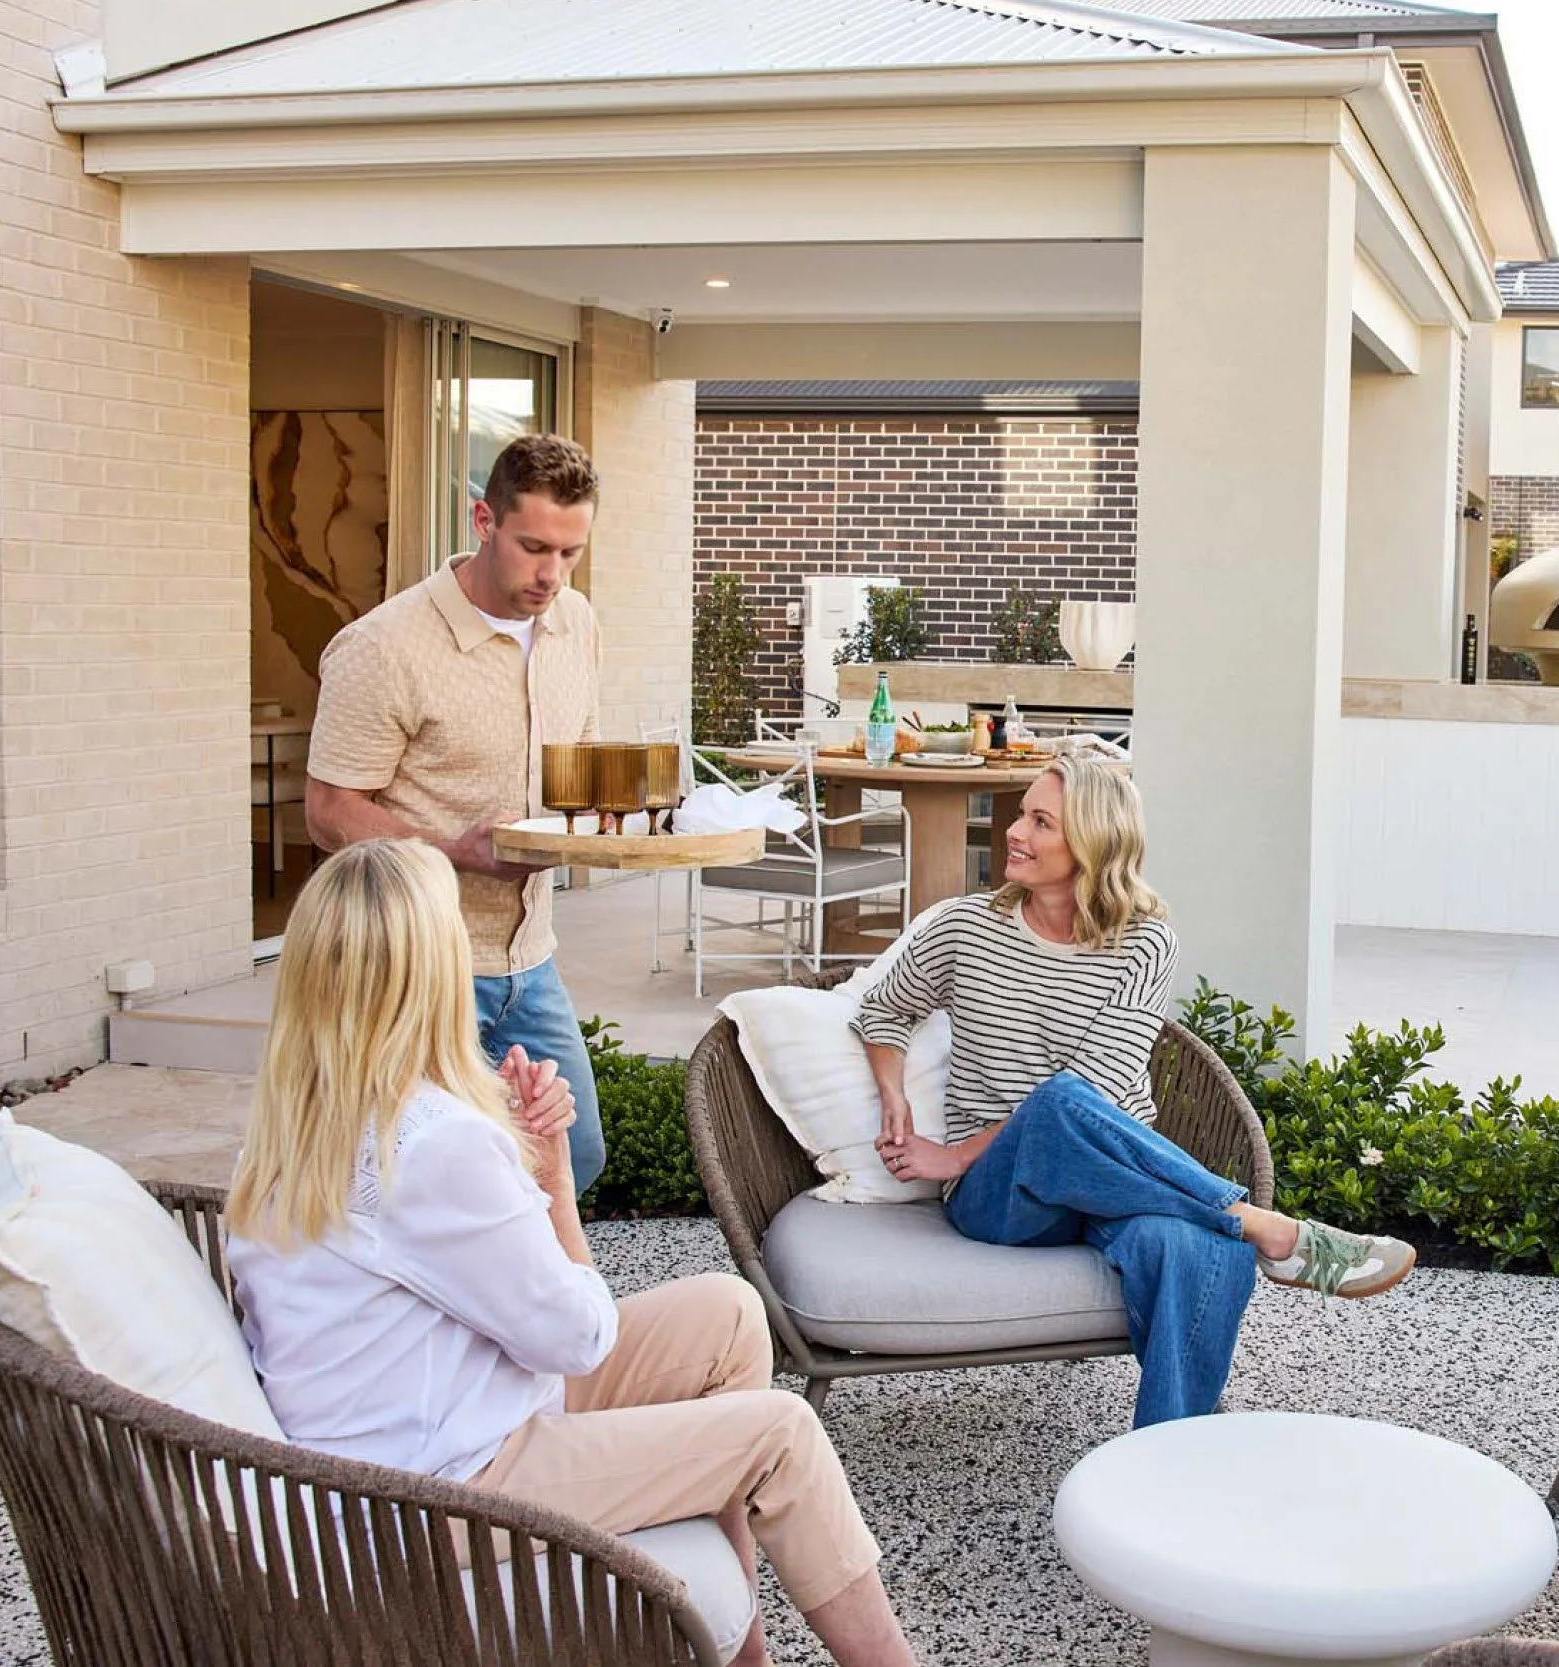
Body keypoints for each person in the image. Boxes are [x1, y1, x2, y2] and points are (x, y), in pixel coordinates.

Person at [225, 840, 913, 1667]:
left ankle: (734, 1651)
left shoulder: (293, 1129)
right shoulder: (434, 1147)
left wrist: (513, 1146)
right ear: (431, 972)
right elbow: (578, 1332)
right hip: (442, 1489)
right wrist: (549, 1170)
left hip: (403, 1443)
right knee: (781, 1433)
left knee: (730, 1316)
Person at [855, 755, 1416, 1428]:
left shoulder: (1145, 944)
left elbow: (1099, 1081)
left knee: (1194, 1245)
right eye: (1021, 813)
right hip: (1003, 1193)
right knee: (1063, 1105)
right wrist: (900, 1102)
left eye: (1041, 822)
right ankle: (1268, 1226)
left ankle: (1167, 1465)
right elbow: (884, 1012)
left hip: (1109, 1182)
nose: (1014, 832)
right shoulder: (965, 927)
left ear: (1093, 844)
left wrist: (956, 1148)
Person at [305, 434, 608, 1193]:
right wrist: (453, 851)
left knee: (574, 1156)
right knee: (400, 1179)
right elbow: (328, 810)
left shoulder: (577, 624)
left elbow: (578, 766)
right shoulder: (385, 646)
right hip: (410, 964)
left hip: (527, 957)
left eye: (571, 552)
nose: (552, 574)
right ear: (483, 520)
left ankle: (524, 1309)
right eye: (534, 546)